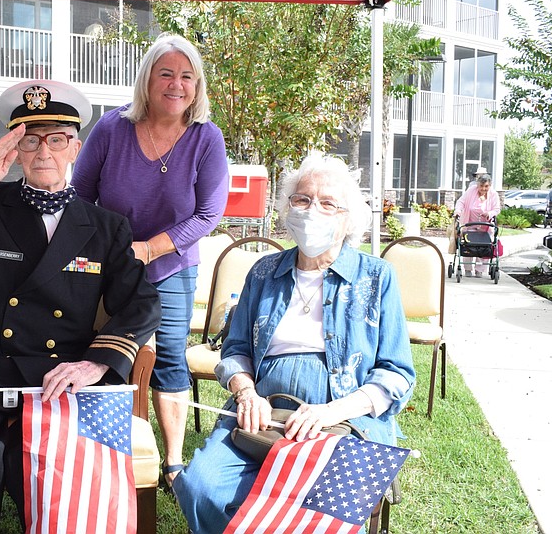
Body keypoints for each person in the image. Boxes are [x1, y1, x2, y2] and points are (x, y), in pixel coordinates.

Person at [0, 79, 161, 533]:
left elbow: (142, 301)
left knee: (66, 453)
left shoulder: (105, 227)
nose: (43, 152)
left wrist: (95, 365)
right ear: (15, 150)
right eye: (30, 140)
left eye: (56, 139)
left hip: (63, 376)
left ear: (75, 147)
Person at [172, 154, 416, 533]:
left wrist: (331, 412)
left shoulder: (376, 277)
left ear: (349, 218)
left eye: (327, 203)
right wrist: (246, 394)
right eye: (302, 199)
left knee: (316, 510)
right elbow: (235, 350)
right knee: (201, 488)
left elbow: (397, 374)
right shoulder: (264, 272)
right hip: (262, 412)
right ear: (287, 208)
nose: (311, 210)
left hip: (344, 418)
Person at [71, 33, 229, 487]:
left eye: (187, 76)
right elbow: (81, 194)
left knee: (170, 358)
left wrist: (147, 249)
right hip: (106, 264)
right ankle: (103, 447)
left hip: (172, 266)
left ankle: (173, 462)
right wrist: (106, 248)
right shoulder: (111, 127)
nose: (176, 84)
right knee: (99, 349)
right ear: (147, 79)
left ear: (196, 87)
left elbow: (209, 213)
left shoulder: (206, 138)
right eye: (166, 73)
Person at [454, 173, 500, 277]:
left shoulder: (494, 194)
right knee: (468, 245)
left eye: (486, 186)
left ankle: (480, 269)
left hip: (485, 225)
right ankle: (468, 268)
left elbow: (496, 209)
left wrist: (489, 213)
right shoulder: (471, 191)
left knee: (483, 246)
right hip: (470, 223)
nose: (483, 189)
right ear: (477, 185)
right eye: (481, 186)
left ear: (490, 185)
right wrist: (458, 211)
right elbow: (461, 201)